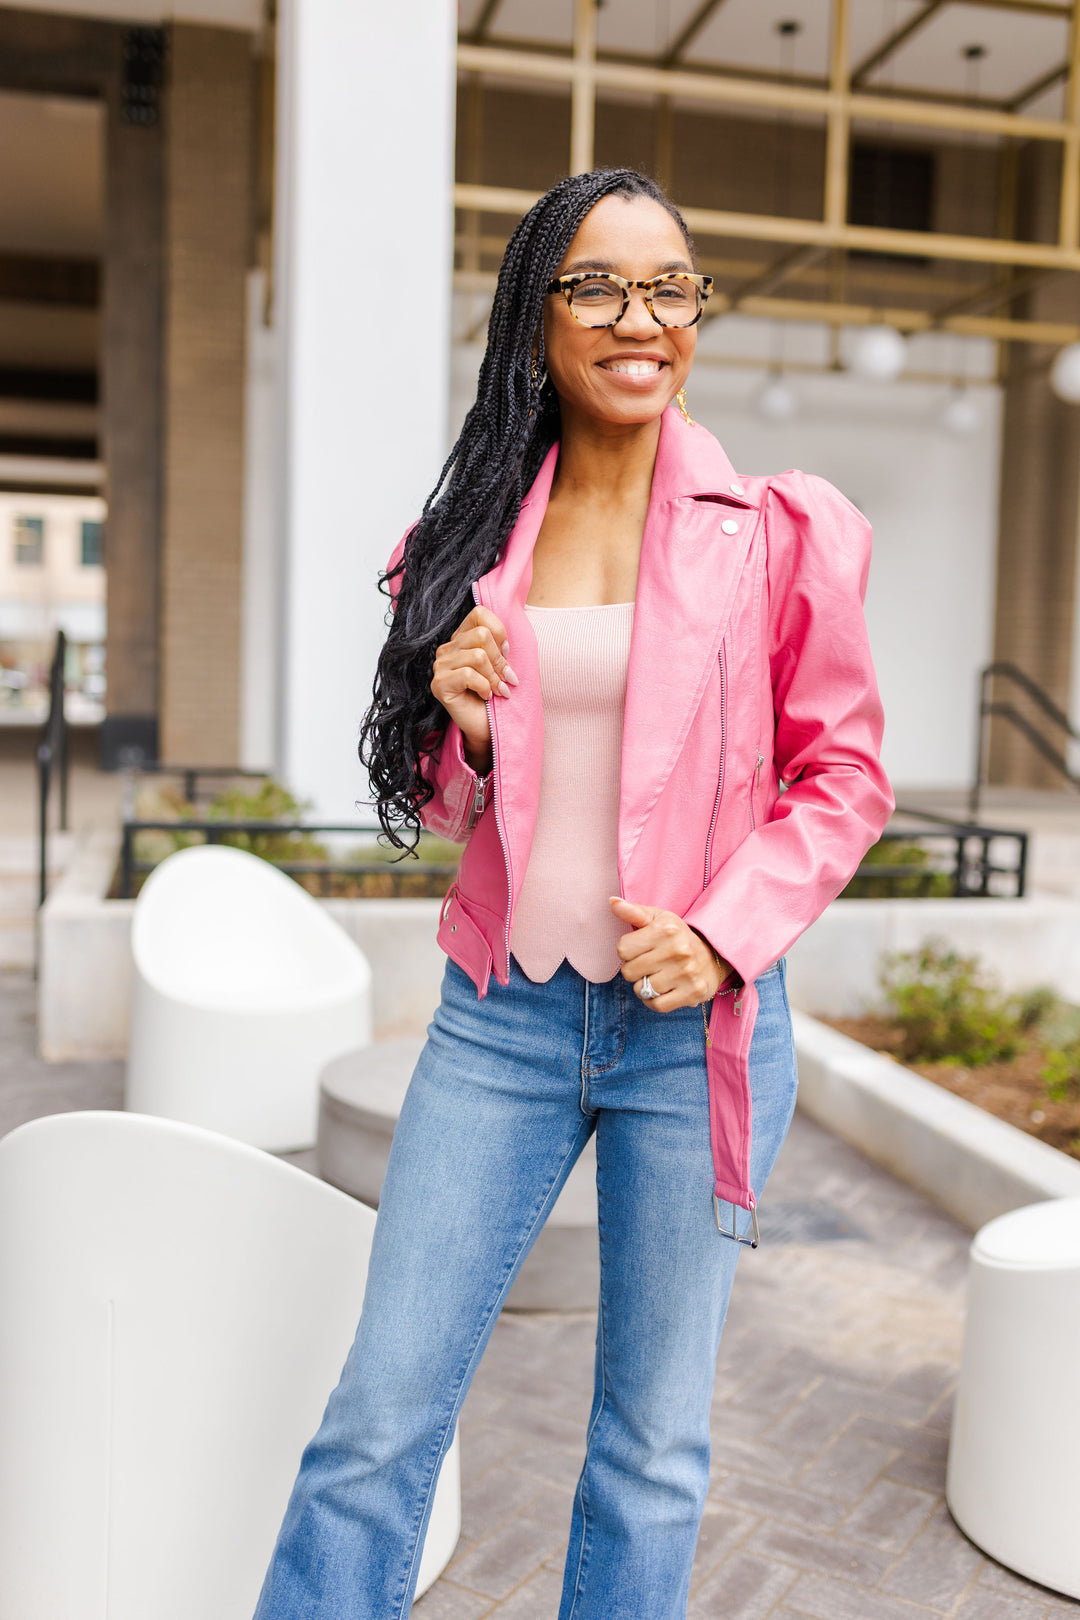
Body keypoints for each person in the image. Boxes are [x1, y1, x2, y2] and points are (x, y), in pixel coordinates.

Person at [252, 167, 893, 1620]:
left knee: (652, 1450)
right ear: (536, 317)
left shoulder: (778, 533)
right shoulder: (473, 542)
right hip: (501, 1026)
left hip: (697, 1040)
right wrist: (463, 726)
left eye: (670, 288)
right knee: (380, 1414)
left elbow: (844, 777)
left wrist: (726, 935)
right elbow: (441, 806)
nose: (638, 318)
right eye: (598, 285)